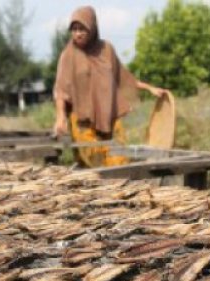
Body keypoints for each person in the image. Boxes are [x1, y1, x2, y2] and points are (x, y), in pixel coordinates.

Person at [53, 6, 168, 167]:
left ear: (92, 28)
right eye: (74, 29)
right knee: (96, 162)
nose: (77, 34)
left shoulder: (106, 49)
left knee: (119, 162)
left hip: (109, 117)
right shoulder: (68, 55)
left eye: (82, 29)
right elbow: (61, 91)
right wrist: (60, 117)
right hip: (82, 121)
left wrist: (150, 88)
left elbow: (123, 77)